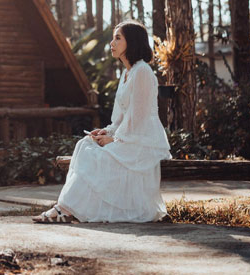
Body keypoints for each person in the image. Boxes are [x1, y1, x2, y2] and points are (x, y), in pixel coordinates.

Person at [33, 20, 171, 223]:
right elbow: (122, 117)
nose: (111, 43)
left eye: (118, 38)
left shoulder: (142, 71)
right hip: (129, 136)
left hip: (142, 142)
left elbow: (139, 118)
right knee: (85, 144)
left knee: (93, 156)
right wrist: (106, 132)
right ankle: (66, 208)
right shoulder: (127, 73)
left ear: (131, 42)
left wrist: (115, 141)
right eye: (113, 38)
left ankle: (66, 210)